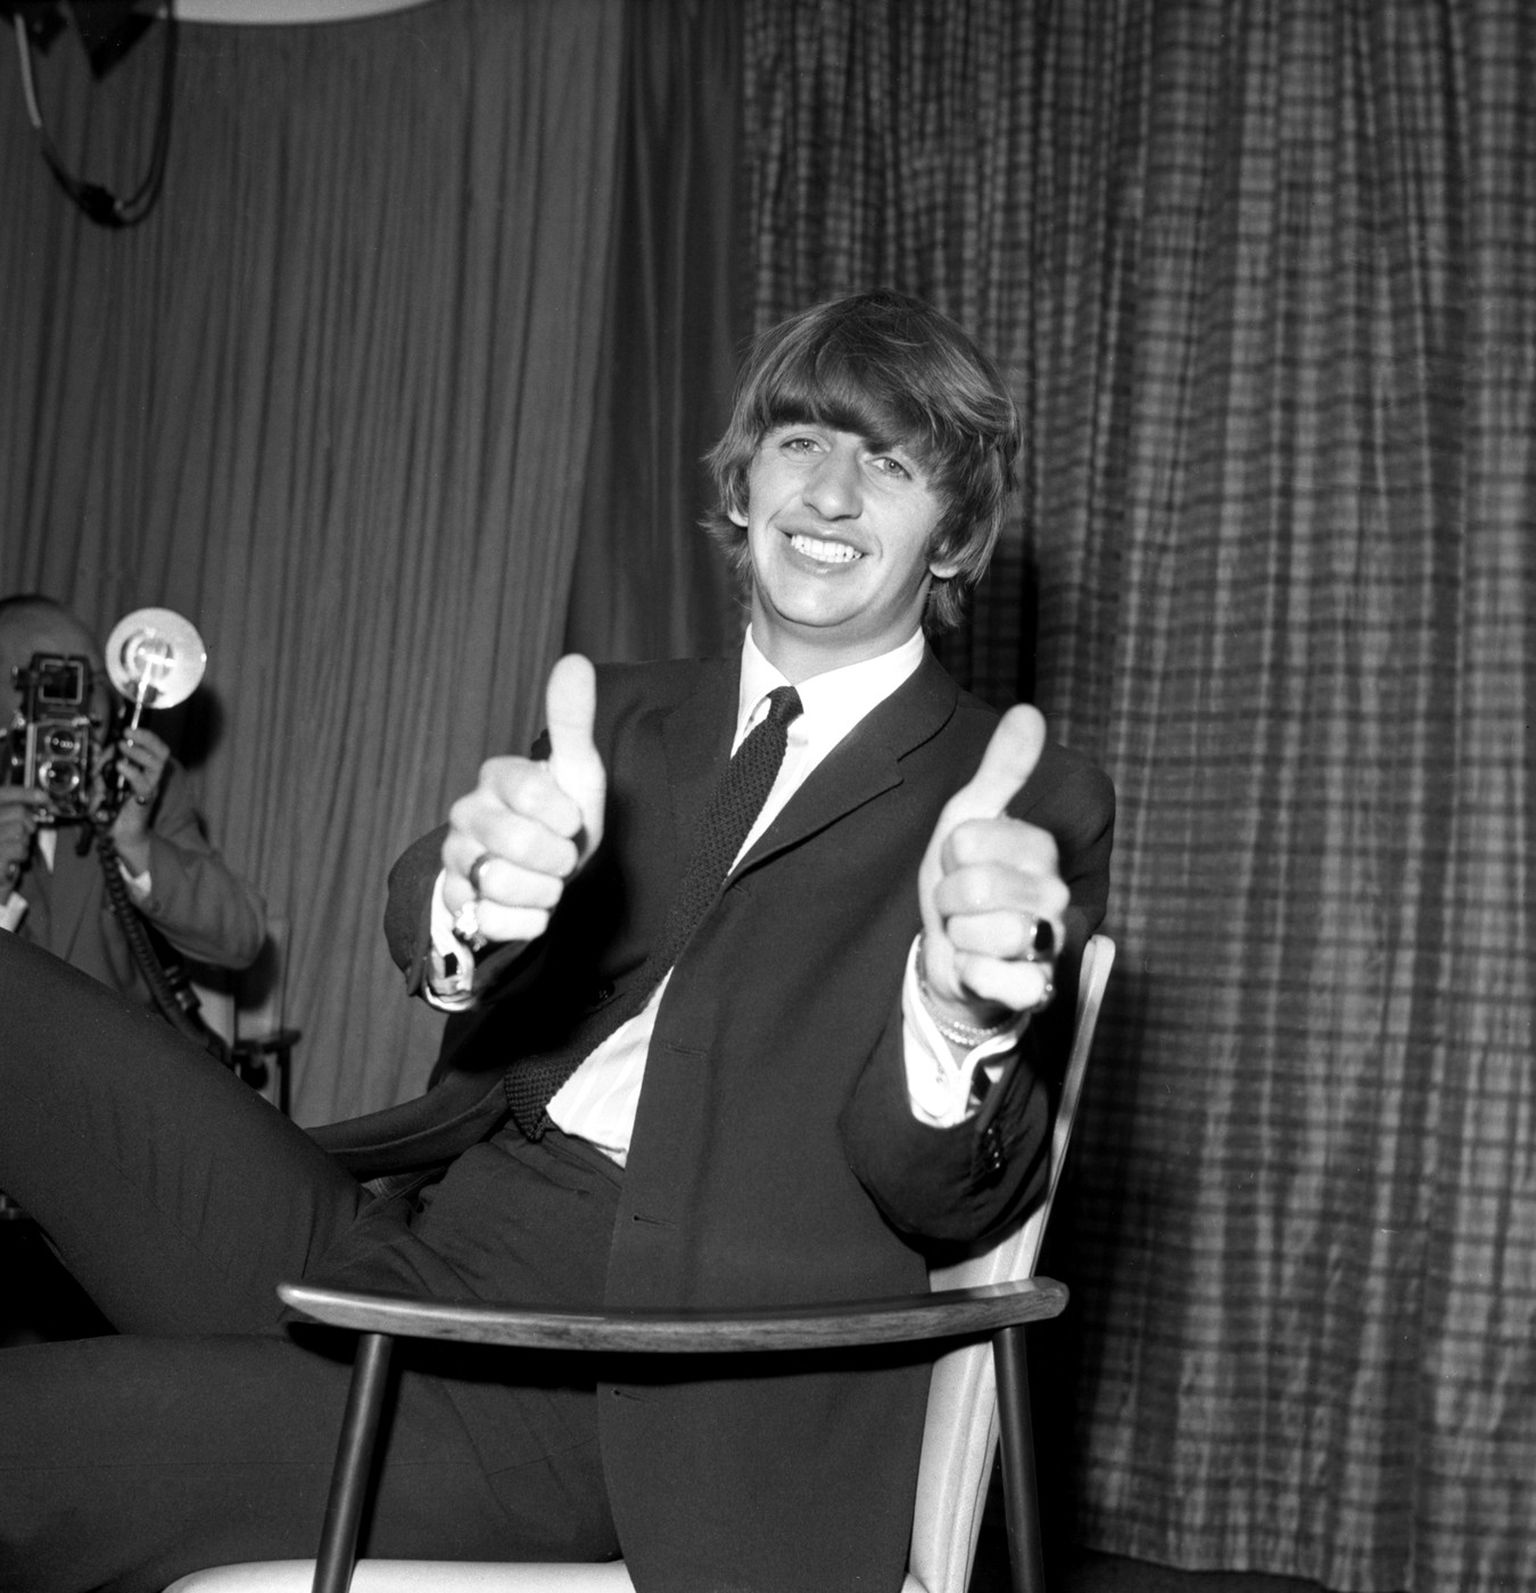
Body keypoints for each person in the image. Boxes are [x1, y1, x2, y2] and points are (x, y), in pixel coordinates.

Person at [0, 290, 1114, 1593]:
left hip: (619, 1383)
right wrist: (468, 898)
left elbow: (950, 1195)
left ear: (955, 534)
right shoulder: (625, 715)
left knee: (33, 1436)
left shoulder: (1011, 796)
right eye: (803, 440)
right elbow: (433, 901)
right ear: (743, 483)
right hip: (413, 1238)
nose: (830, 492)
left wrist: (958, 1018)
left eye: (891, 463)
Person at [0, 594, 267, 1009]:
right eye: (56, 684)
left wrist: (135, 845)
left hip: (110, 1044)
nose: (86, 706)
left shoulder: (141, 783)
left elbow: (240, 937)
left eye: (95, 681)